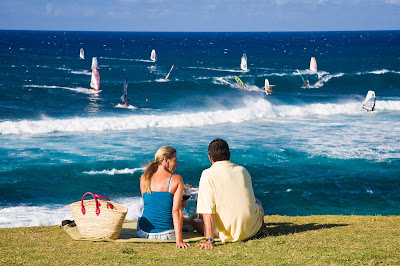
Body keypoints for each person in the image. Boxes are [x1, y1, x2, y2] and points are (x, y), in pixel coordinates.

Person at [193, 139, 264, 249]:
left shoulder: (207, 174)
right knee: (257, 201)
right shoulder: (242, 170)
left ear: (210, 157)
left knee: (194, 219)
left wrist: (209, 240)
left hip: (229, 234)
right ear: (229, 155)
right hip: (251, 229)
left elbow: (208, 210)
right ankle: (261, 226)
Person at [137, 146, 190, 249]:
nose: (177, 164)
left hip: (143, 233)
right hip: (167, 234)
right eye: (175, 160)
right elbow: (176, 211)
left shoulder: (144, 178)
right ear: (166, 160)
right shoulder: (176, 179)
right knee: (185, 219)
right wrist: (179, 241)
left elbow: (151, 204)